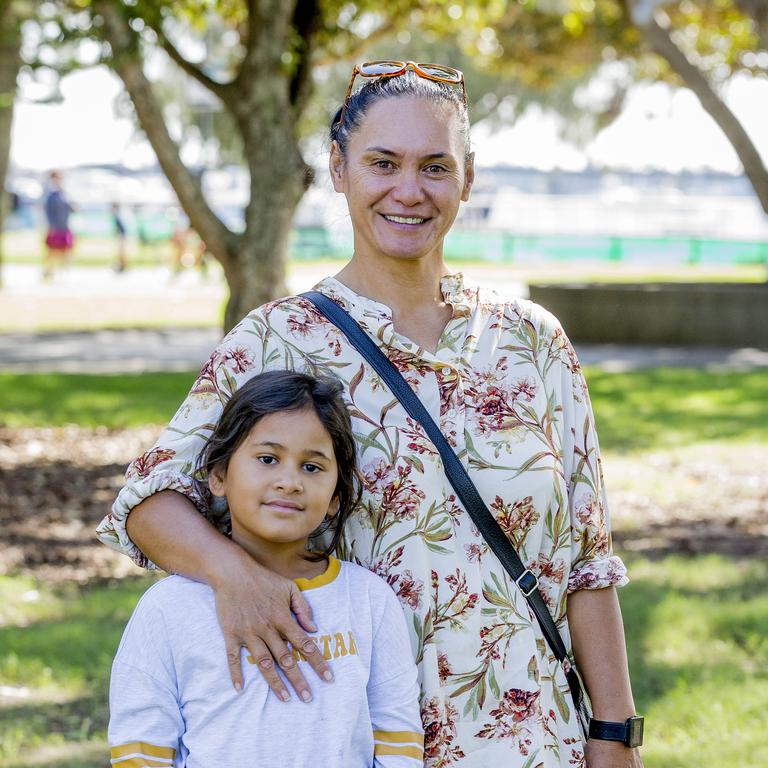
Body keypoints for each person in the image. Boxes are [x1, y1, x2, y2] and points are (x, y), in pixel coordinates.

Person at [98, 61, 643, 768]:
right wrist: (237, 577)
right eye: (382, 163)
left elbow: (588, 564)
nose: (409, 191)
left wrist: (615, 733)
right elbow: (149, 502)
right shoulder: (277, 339)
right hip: (358, 743)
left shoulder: (534, 342)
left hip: (538, 742)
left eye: (435, 167)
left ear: (467, 177)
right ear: (339, 168)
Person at [108, 370, 423, 767]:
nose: (289, 481)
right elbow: (140, 745)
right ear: (219, 476)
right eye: (268, 459)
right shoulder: (168, 609)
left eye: (312, 467)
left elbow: (398, 737)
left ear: (334, 498)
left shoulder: (367, 599)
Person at [42, 170, 75, 280]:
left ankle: (60, 269)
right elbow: (48, 212)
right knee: (52, 250)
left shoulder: (64, 194)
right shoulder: (50, 195)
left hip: (64, 226)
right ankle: (49, 270)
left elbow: (71, 208)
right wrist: (51, 226)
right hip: (55, 227)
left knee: (66, 249)